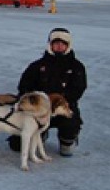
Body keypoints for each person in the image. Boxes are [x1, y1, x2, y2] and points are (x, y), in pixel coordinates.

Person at [8, 28, 87, 156]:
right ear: (50, 45)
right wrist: (35, 100)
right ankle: (40, 134)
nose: (59, 46)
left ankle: (67, 141)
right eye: (56, 43)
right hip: (39, 110)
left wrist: (59, 100)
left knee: (69, 132)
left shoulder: (77, 67)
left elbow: (78, 89)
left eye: (63, 44)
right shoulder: (37, 66)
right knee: (17, 145)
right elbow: (24, 86)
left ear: (68, 45)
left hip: (62, 108)